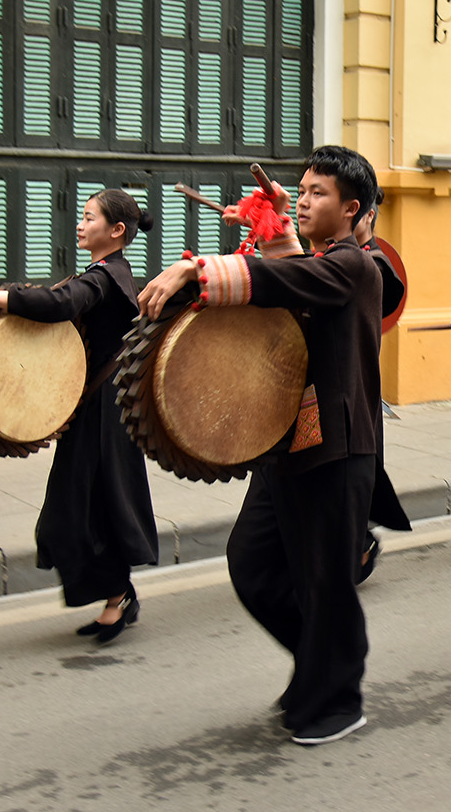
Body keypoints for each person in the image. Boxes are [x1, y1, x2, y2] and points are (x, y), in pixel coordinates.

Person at [139, 145, 382, 747]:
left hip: (338, 449)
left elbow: (291, 279)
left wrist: (197, 270)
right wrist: (272, 222)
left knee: (325, 582)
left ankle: (338, 698)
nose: (302, 199)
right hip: (286, 447)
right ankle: (320, 668)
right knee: (252, 563)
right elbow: (292, 280)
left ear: (351, 209)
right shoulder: (320, 261)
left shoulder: (357, 265)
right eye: (299, 190)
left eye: (317, 193)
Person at [0, 190, 157, 643]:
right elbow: (59, 300)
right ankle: (118, 593)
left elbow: (62, 303)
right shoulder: (106, 273)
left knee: (90, 507)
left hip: (106, 411)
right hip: (96, 408)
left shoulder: (107, 277)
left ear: (116, 231)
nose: (80, 225)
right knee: (86, 505)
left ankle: (118, 595)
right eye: (82, 217)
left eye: (89, 218)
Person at [353, 202, 412, 580]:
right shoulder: (330, 259)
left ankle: (360, 546)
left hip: (356, 390)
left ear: (362, 212)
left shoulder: (374, 265)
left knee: (354, 479)